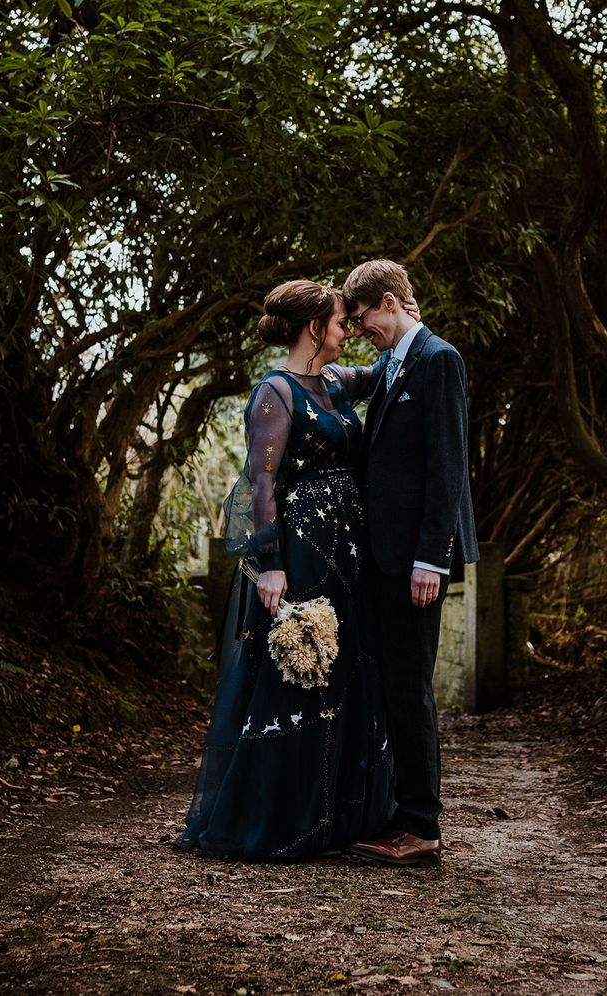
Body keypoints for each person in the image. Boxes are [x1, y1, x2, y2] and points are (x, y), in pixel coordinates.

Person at [173, 279, 406, 861]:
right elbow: (263, 484)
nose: (346, 331)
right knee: (299, 669)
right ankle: (280, 818)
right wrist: (272, 567)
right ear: (313, 329)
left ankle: (335, 817)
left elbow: (387, 370)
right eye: (338, 322)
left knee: (345, 667)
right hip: (301, 549)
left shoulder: (334, 381)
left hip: (347, 548)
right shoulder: (274, 394)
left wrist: (407, 320)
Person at [342, 259, 479, 867]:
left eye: (363, 314)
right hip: (385, 556)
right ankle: (401, 814)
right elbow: (366, 379)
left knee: (410, 689)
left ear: (391, 302)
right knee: (392, 687)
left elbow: (447, 467)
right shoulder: (396, 362)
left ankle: (422, 827)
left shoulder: (439, 359)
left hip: (416, 561)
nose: (358, 325)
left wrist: (432, 558)